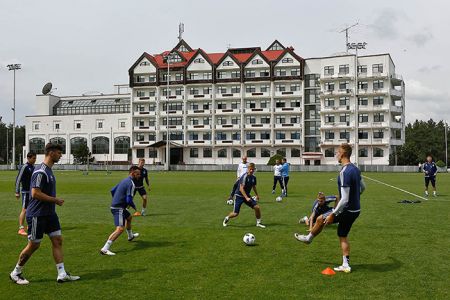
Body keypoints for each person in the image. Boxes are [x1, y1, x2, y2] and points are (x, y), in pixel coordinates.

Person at [10, 143, 80, 285]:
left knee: (57, 240)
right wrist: (55, 200)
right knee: (34, 245)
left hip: (49, 214)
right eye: (59, 153)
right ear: (51, 152)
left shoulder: (48, 170)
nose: (61, 155)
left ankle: (62, 274)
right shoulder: (40, 171)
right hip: (37, 214)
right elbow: (35, 193)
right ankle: (16, 272)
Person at [294, 143, 362, 273]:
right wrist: (356, 198)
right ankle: (346, 264)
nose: (336, 155)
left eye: (337, 152)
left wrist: (333, 213)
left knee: (320, 218)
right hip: (356, 210)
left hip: (346, 209)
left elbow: (344, 199)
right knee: (342, 235)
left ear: (342, 154)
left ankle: (308, 239)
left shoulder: (345, 172)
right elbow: (363, 188)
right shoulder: (356, 169)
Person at [100, 166, 141, 256]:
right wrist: (135, 208)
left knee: (129, 218)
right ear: (132, 173)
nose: (139, 176)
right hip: (118, 208)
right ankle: (105, 249)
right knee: (120, 229)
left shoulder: (124, 180)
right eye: (138, 174)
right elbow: (129, 200)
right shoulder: (131, 183)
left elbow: (112, 190)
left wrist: (116, 199)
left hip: (119, 206)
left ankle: (130, 236)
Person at [223, 163, 266, 228]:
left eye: (253, 169)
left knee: (257, 207)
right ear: (248, 169)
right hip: (239, 196)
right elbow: (241, 188)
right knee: (235, 213)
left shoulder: (254, 177)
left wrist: (257, 195)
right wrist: (246, 197)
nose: (251, 170)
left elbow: (254, 186)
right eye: (250, 169)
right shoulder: (244, 176)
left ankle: (258, 223)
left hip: (247, 196)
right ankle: (227, 217)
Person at [15, 152, 36, 236]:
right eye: (33, 158)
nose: (34, 160)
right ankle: (21, 228)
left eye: (35, 158)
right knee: (24, 209)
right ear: (28, 158)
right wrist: (17, 192)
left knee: (31, 209)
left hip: (32, 192)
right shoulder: (25, 167)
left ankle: (29, 226)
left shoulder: (33, 167)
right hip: (25, 192)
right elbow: (18, 179)